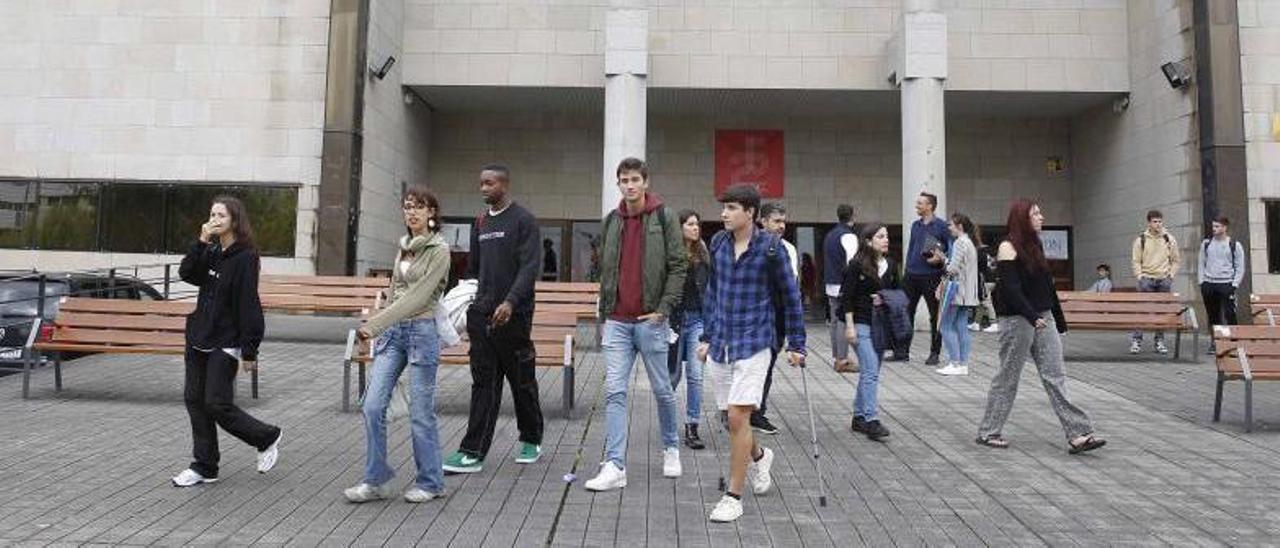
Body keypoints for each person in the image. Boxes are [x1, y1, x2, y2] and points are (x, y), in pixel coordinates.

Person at [698, 184, 806, 523]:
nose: (724, 214)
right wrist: (706, 335)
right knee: (734, 422)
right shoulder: (717, 243)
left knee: (736, 416)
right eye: (724, 208)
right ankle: (760, 457)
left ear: (751, 213)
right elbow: (713, 292)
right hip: (722, 343)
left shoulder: (772, 250)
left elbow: (791, 298)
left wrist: (798, 344)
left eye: (731, 208)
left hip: (756, 341)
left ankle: (733, 496)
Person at [584, 157, 688, 492]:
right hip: (617, 321)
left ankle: (671, 447)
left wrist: (663, 308)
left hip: (650, 320)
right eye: (623, 180)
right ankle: (615, 465)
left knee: (662, 390)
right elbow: (603, 267)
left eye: (634, 180)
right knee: (614, 391)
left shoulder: (664, 216)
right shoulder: (611, 221)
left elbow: (677, 265)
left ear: (646, 182)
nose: (629, 186)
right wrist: (603, 308)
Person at [345, 186, 451, 503]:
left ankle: (431, 482)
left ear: (432, 213)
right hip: (393, 334)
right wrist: (379, 333)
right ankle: (376, 479)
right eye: (408, 207)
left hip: (421, 332)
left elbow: (418, 297)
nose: (412, 212)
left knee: (421, 412)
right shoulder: (403, 247)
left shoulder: (439, 250)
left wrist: (372, 325)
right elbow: (394, 294)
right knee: (372, 405)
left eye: (420, 207)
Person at [976, 199, 1106, 455]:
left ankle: (1078, 434)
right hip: (1017, 319)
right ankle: (988, 431)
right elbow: (1011, 290)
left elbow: (1047, 286)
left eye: (1040, 213)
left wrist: (1059, 320)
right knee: (1008, 376)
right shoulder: (1007, 247)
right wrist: (1031, 315)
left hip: (1043, 317)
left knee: (1055, 375)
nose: (1041, 217)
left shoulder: (1035, 245)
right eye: (1035, 213)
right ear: (1022, 218)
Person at [172, 196, 282, 487]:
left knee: (217, 403)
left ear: (235, 219)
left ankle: (266, 436)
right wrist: (200, 241)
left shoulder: (246, 257)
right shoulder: (210, 251)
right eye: (212, 214)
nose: (215, 219)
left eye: (221, 215)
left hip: (225, 340)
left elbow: (248, 304)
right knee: (194, 399)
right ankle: (204, 466)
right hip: (198, 336)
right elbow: (187, 274)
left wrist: (250, 350)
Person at [442, 165, 544, 474]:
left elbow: (529, 268)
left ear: (505, 184)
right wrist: (467, 305)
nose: (483, 188)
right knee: (483, 382)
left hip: (514, 316)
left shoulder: (524, 221)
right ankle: (473, 451)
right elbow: (474, 269)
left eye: (489, 183)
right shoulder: (481, 222)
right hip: (482, 315)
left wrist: (511, 302)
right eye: (481, 183)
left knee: (521, 379)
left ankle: (531, 437)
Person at [840, 222, 898, 441]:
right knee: (871, 370)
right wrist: (849, 326)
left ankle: (858, 416)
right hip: (860, 322)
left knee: (869, 372)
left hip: (881, 324)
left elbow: (898, 292)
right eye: (880, 236)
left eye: (886, 236)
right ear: (868, 241)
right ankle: (872, 420)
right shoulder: (856, 265)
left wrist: (885, 297)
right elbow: (847, 297)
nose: (886, 239)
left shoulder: (891, 265)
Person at [752, 202, 799, 435]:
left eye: (783, 221)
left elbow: (793, 291)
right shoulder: (751, 246)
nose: (781, 226)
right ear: (762, 221)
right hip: (756, 315)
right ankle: (748, 411)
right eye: (776, 221)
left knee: (767, 366)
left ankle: (757, 411)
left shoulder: (788, 248)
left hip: (778, 316)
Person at [667, 209, 709, 450]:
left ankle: (692, 426)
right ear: (680, 227)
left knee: (696, 375)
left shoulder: (703, 253)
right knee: (672, 377)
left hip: (697, 321)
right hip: (674, 321)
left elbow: (709, 290)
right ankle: (668, 425)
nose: (695, 228)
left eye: (697, 224)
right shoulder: (670, 253)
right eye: (690, 224)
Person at [903, 192, 951, 365]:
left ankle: (934, 353)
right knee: (906, 312)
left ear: (930, 206)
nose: (917, 206)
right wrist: (907, 269)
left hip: (932, 276)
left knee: (934, 316)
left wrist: (941, 257)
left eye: (920, 203)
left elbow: (949, 249)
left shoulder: (942, 226)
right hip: (911, 275)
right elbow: (911, 248)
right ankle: (902, 351)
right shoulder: (915, 225)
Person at [1130, 210, 1180, 355]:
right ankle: (1137, 341)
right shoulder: (1141, 240)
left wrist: (1170, 276)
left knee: (1161, 312)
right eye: (1154, 221)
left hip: (1163, 279)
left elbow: (1176, 260)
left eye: (1159, 221)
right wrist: (1140, 276)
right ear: (1149, 223)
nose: (1157, 224)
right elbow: (1136, 261)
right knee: (1141, 310)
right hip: (1146, 279)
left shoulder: (1169, 239)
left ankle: (1159, 341)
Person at [937, 213, 979, 376]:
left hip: (957, 291)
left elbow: (952, 269)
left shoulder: (960, 243)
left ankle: (954, 363)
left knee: (946, 326)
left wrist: (943, 259)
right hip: (967, 292)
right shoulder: (969, 242)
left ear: (959, 226)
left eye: (951, 225)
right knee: (961, 326)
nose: (949, 228)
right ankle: (963, 364)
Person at [1199, 216, 1245, 354]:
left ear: (1225, 227)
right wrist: (1202, 282)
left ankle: (1234, 342)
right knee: (1213, 315)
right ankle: (1216, 342)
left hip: (1226, 284)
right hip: (1209, 284)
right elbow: (1201, 263)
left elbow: (1240, 266)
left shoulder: (1234, 245)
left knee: (1230, 314)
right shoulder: (1206, 244)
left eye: (1218, 226)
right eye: (1213, 226)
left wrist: (1234, 284)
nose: (1214, 229)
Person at [822, 204, 859, 372]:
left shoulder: (830, 235)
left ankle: (838, 357)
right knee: (843, 321)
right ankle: (842, 360)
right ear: (852, 216)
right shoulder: (849, 236)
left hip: (831, 282)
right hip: (843, 284)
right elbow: (852, 263)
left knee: (835, 322)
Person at [969, 238, 999, 333]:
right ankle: (976, 323)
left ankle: (994, 323)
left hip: (985, 280)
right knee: (981, 302)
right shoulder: (988, 252)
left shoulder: (979, 253)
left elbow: (976, 267)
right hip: (992, 279)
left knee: (986, 301)